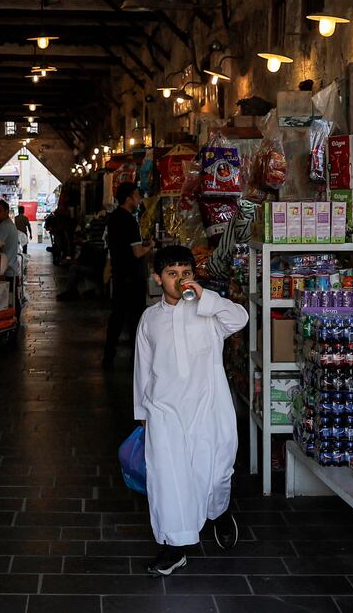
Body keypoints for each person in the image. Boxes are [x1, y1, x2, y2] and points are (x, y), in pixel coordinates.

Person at [133, 245, 248, 576]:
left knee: (216, 473)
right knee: (167, 480)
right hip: (164, 412)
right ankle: (173, 547)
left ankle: (219, 511)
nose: (179, 280)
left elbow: (239, 318)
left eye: (186, 274)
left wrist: (206, 297)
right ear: (158, 279)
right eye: (172, 274)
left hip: (209, 409)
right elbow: (143, 366)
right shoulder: (150, 319)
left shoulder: (209, 312)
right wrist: (142, 411)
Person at [103, 182, 153, 367]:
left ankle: (109, 356)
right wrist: (150, 246)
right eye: (136, 195)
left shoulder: (114, 217)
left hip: (119, 273)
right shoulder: (130, 220)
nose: (139, 199)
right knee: (135, 318)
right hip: (132, 277)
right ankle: (136, 359)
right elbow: (137, 252)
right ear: (128, 198)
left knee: (117, 316)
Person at [0, 200, 21, 278]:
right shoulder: (6, 224)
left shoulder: (5, 226)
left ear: (6, 212)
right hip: (10, 268)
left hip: (7, 270)